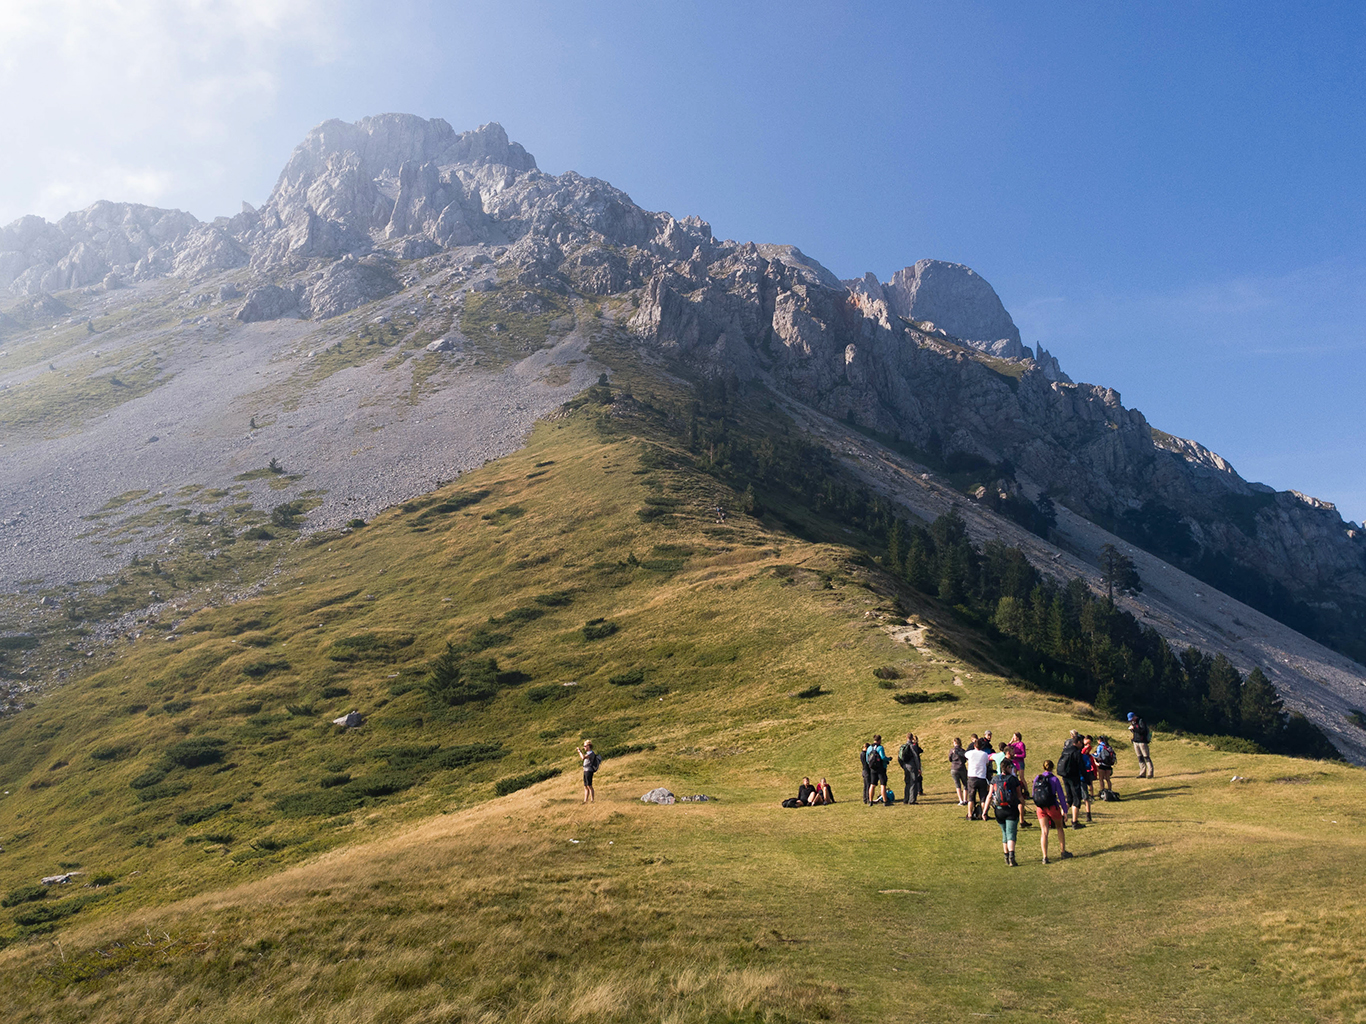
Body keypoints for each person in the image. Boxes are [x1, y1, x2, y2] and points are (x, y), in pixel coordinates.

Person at [1031, 759, 1073, 864]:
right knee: (1059, 827)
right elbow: (1061, 796)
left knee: (1044, 831)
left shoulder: (1037, 778)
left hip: (1040, 807)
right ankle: (1063, 851)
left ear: (1043, 767)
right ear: (1052, 768)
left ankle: (1045, 857)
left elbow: (1033, 793)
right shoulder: (1054, 779)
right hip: (1052, 807)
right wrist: (1065, 810)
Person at [988, 758, 1025, 866]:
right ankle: (1011, 856)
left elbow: (990, 795)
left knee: (1004, 832)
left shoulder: (994, 779)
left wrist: (985, 811)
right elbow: (1019, 795)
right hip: (1011, 809)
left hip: (998, 810)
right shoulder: (1013, 779)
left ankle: (1006, 855)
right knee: (1011, 833)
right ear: (1008, 768)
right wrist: (1023, 804)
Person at [1057, 731, 1088, 829]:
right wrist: (1087, 779)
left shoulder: (1065, 750)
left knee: (1069, 798)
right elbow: (1081, 767)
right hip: (1073, 777)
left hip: (1065, 776)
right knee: (1076, 799)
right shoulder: (1076, 752)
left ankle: (1062, 818)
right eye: (1082, 743)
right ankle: (1075, 822)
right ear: (1078, 742)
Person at [964, 738, 992, 821]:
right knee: (983, 798)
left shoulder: (970, 753)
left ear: (974, 746)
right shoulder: (984, 754)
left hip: (972, 777)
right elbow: (987, 763)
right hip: (982, 777)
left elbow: (965, 754)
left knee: (971, 798)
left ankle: (969, 814)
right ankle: (984, 814)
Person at [897, 732, 922, 805]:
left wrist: (903, 766)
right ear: (912, 738)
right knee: (913, 782)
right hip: (912, 766)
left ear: (906, 738)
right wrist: (919, 768)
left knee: (907, 782)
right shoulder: (912, 746)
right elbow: (916, 757)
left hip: (905, 766)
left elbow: (900, 758)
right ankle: (912, 800)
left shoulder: (903, 746)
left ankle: (906, 799)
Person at [1128, 713, 1154, 777]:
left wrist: (1134, 728)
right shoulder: (1133, 723)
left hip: (1142, 741)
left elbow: (1142, 731)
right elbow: (1135, 732)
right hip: (1136, 741)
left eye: (1131, 719)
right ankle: (1142, 773)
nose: (1131, 720)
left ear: (1134, 716)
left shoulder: (1141, 721)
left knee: (1146, 757)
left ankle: (1150, 772)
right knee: (1140, 757)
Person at [867, 734, 890, 805]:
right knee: (883, 784)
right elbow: (882, 757)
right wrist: (888, 759)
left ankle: (870, 801)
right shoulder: (880, 747)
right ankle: (885, 801)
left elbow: (867, 759)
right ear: (879, 740)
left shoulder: (869, 748)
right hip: (880, 768)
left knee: (872, 784)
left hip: (873, 768)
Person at [948, 737, 969, 806]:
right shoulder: (963, 750)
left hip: (954, 768)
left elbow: (950, 759)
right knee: (965, 784)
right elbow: (965, 759)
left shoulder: (952, 750)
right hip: (962, 768)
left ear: (954, 742)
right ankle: (965, 799)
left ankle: (960, 800)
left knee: (957, 785)